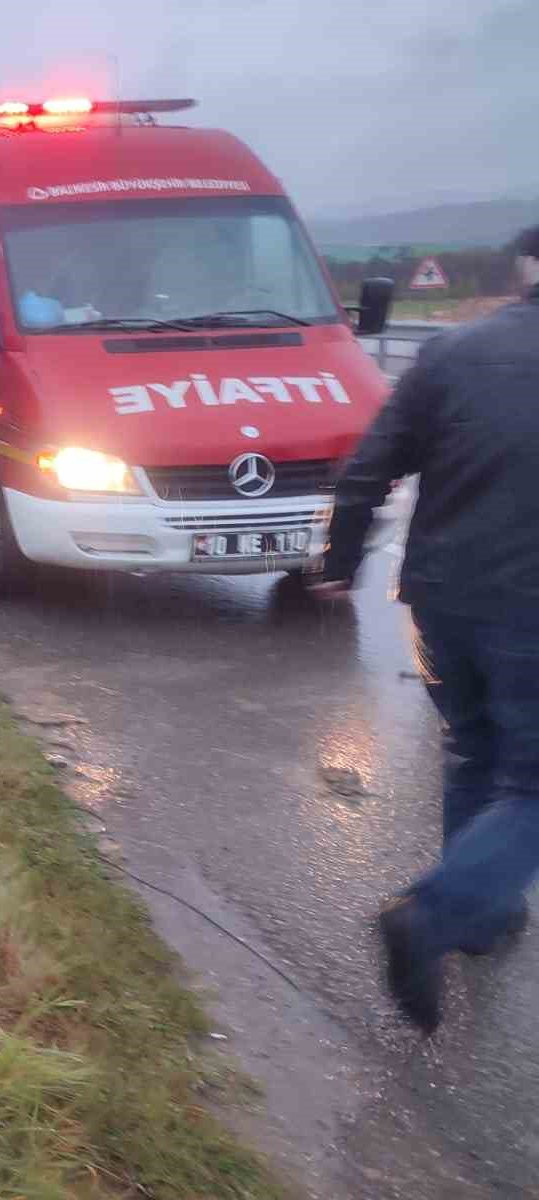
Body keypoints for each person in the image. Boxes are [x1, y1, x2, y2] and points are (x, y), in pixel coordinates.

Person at [314, 225, 539, 1035]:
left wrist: (340, 558)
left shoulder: (451, 354)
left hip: (443, 598)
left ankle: (480, 914)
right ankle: (437, 914)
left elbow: (371, 464)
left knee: (476, 752)